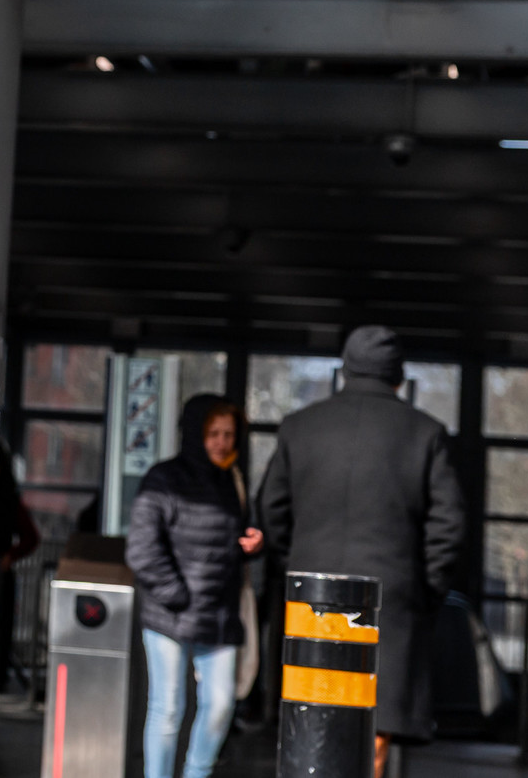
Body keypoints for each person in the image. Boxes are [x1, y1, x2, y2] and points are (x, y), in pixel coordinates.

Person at [255, 327, 467, 778]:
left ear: (344, 368)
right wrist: (423, 589)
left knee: (311, 719)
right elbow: (449, 525)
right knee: (374, 726)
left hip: (313, 598)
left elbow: (271, 510)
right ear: (398, 376)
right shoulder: (425, 433)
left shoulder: (300, 427)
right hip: (388, 604)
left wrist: (295, 567)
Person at [127, 396, 264, 778]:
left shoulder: (232, 482)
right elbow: (141, 549)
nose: (222, 442)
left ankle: (196, 773)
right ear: (194, 434)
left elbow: (230, 543)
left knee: (221, 704)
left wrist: (253, 544)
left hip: (218, 615)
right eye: (213, 433)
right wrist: (177, 595)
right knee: (167, 707)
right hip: (169, 613)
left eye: (228, 435)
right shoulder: (163, 478)